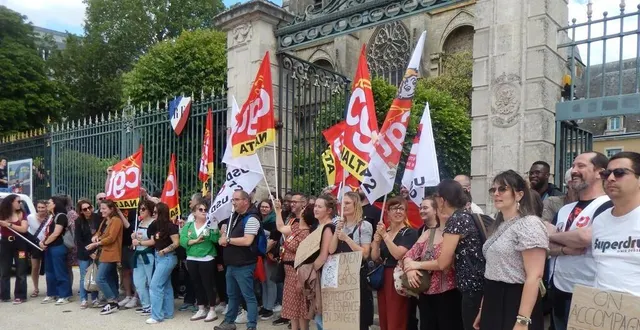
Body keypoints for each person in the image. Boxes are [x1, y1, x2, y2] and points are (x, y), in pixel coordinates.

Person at [404, 179, 485, 330]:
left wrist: (416, 264)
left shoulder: (456, 220)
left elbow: (443, 263)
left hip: (468, 289)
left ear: (442, 200)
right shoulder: (466, 216)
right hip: (477, 287)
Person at [472, 170, 548, 330]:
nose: (496, 194)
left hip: (516, 300)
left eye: (503, 189)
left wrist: (522, 320)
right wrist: (482, 309)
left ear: (519, 194)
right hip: (493, 298)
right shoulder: (499, 225)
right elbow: (492, 269)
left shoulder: (530, 224)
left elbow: (535, 276)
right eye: (493, 190)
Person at [547, 152, 611, 330]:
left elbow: (585, 238)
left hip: (588, 293)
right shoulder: (564, 209)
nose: (573, 170)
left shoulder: (607, 205)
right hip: (559, 290)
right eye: (573, 166)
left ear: (600, 172)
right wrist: (567, 244)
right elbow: (543, 244)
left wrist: (553, 236)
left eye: (581, 166)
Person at [403, 196, 463, 330]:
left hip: (449, 294)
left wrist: (417, 265)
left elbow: (444, 263)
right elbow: (408, 256)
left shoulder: (457, 233)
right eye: (440, 207)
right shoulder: (428, 233)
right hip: (426, 293)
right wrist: (410, 270)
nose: (443, 210)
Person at [592, 151, 640, 296]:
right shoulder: (599, 220)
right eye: (606, 174)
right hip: (600, 309)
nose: (611, 178)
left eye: (620, 173)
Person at [215, 190, 261, 330]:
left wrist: (228, 239)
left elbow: (248, 240)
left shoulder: (252, 218)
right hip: (232, 263)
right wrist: (223, 236)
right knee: (232, 295)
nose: (233, 202)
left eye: (236, 199)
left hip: (245, 264)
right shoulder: (234, 216)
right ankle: (229, 322)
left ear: (245, 201)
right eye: (232, 199)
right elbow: (225, 235)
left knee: (248, 296)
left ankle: (251, 326)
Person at [370, 196, 418, 330]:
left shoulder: (409, 233)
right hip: (383, 277)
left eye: (401, 208)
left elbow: (398, 254)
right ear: (387, 212)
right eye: (394, 208)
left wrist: (385, 236)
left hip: (398, 278)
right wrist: (377, 242)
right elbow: (375, 257)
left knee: (397, 316)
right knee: (385, 316)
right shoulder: (386, 232)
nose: (398, 211)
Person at [329, 191, 374, 330]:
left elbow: (365, 254)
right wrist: (337, 231)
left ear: (356, 205)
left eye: (347, 203)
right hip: (340, 275)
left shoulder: (364, 226)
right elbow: (331, 250)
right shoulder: (338, 224)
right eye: (342, 203)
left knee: (358, 318)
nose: (344, 206)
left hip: (356, 276)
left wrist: (346, 238)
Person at [274, 199, 316, 330]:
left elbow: (305, 259)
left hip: (298, 273)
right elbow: (280, 227)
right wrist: (278, 210)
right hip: (289, 273)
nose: (301, 211)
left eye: (303, 210)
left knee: (301, 308)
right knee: (293, 309)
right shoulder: (295, 227)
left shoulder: (306, 234)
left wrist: (300, 279)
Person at [180, 200, 221, 323]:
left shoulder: (210, 224)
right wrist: (194, 241)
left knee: (208, 284)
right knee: (196, 283)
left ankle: (212, 309)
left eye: (205, 210)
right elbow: (183, 240)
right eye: (200, 210)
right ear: (194, 213)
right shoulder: (188, 225)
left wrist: (213, 231)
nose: (204, 212)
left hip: (206, 258)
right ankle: (201, 308)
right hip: (192, 258)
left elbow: (216, 240)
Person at [306, 194, 338, 330]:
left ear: (329, 210)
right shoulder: (318, 226)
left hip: (323, 275)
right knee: (319, 315)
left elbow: (324, 255)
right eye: (315, 206)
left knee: (322, 315)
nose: (316, 209)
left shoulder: (328, 228)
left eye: (320, 206)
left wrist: (308, 273)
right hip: (319, 273)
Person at [86, 199, 123, 315]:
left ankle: (111, 301)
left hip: (110, 253)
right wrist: (95, 237)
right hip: (103, 252)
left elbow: (111, 238)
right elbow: (99, 233)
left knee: (100, 278)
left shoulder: (116, 220)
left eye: (104, 208)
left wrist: (97, 243)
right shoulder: (105, 221)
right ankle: (115, 300)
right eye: (101, 208)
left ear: (111, 209)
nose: (101, 210)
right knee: (110, 277)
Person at [146, 202, 180, 324]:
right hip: (159, 257)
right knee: (165, 285)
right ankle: (168, 312)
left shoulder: (170, 226)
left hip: (167, 257)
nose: (153, 214)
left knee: (155, 285)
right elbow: (150, 235)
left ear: (161, 213)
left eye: (155, 212)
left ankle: (157, 316)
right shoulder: (156, 225)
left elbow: (176, 242)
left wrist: (165, 250)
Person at [40, 196, 73, 305]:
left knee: (60, 271)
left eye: (49, 202)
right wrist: (43, 242)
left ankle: (64, 295)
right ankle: (52, 293)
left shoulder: (61, 216)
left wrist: (45, 243)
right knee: (49, 272)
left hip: (58, 246)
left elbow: (56, 233)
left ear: (55, 204)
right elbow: (48, 232)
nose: (47, 204)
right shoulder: (51, 217)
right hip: (49, 247)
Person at [0, 194, 29, 304]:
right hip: (5, 243)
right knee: (4, 270)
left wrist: (8, 225)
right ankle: (4, 295)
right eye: (18, 201)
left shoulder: (22, 213)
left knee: (21, 268)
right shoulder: (2, 213)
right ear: (11, 202)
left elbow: (24, 229)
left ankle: (20, 295)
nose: (20, 203)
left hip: (19, 243)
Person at [131, 199, 156, 316]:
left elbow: (153, 241)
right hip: (138, 256)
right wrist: (134, 237)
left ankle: (153, 306)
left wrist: (139, 243)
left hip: (148, 255)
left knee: (151, 282)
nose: (141, 211)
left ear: (150, 210)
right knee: (138, 282)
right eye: (140, 209)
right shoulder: (140, 223)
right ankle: (145, 304)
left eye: (143, 209)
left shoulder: (153, 223)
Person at [75, 199, 100, 309]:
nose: (88, 210)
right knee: (84, 276)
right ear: (81, 211)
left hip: (96, 250)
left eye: (89, 207)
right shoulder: (78, 221)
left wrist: (95, 251)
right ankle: (84, 299)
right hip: (84, 252)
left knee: (95, 275)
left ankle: (94, 298)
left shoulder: (98, 218)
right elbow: (79, 240)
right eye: (85, 209)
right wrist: (89, 252)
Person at [259, 199, 278, 320]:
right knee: (263, 281)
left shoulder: (274, 221)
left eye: (266, 207)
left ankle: (270, 307)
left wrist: (264, 251)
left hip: (269, 254)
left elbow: (274, 240)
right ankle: (265, 305)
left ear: (271, 208)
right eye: (262, 206)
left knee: (270, 281)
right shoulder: (259, 220)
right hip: (261, 254)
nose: (264, 209)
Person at [27, 200, 48, 298]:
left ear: (47, 207)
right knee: (35, 267)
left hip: (47, 244)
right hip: (35, 245)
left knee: (49, 268)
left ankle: (51, 288)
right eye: (39, 207)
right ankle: (35, 288)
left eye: (43, 207)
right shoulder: (30, 217)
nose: (40, 210)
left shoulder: (50, 218)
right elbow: (26, 231)